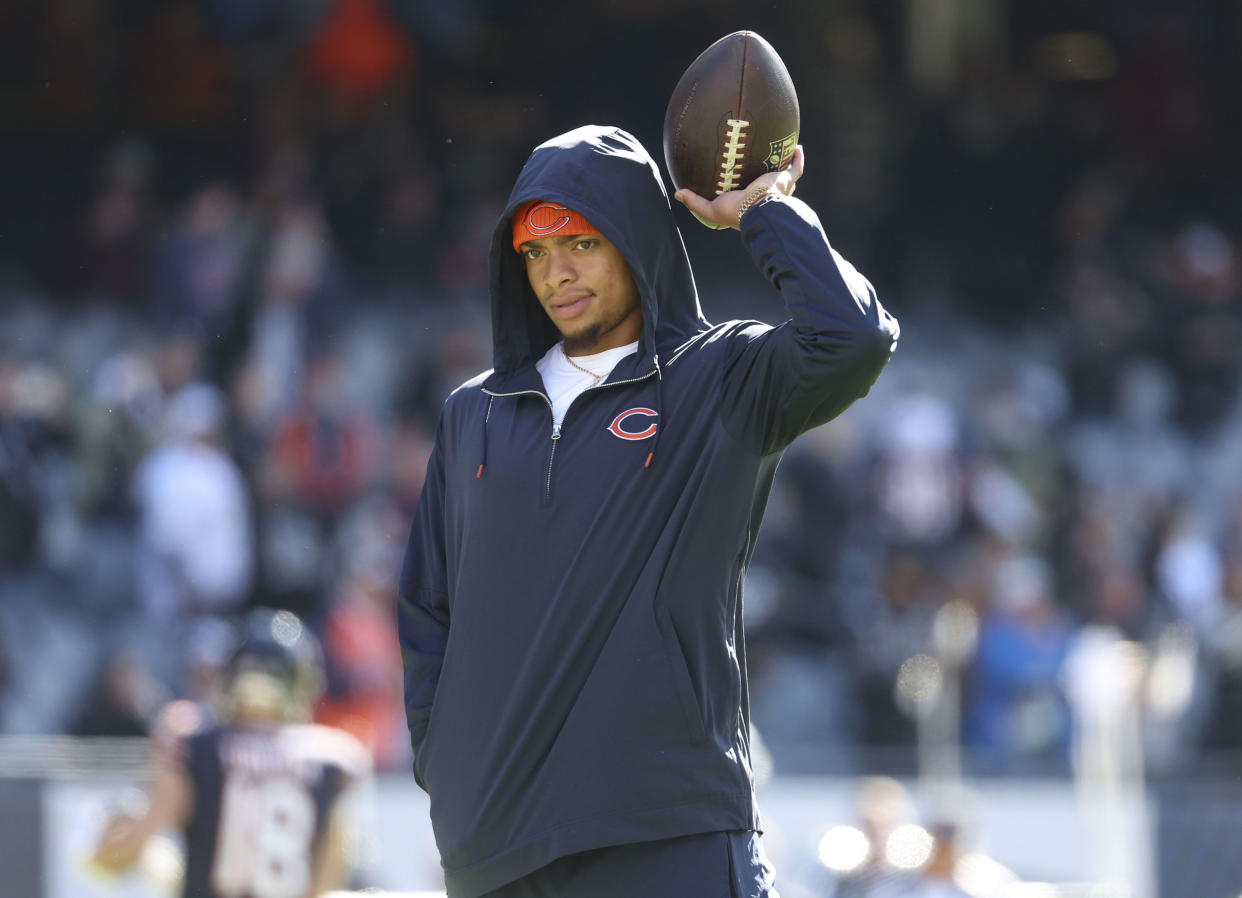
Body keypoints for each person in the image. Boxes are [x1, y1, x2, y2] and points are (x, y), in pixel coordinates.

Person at [398, 124, 899, 898]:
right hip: (495, 852)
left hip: (669, 831)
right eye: (534, 252)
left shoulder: (720, 376)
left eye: (581, 244)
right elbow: (429, 611)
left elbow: (853, 337)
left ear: (635, 237)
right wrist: (451, 770)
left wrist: (764, 211)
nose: (555, 274)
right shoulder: (474, 413)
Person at [92, 608, 372, 898]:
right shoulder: (334, 759)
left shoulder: (194, 742)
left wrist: (113, 841)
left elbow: (114, 856)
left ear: (229, 679)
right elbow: (327, 879)